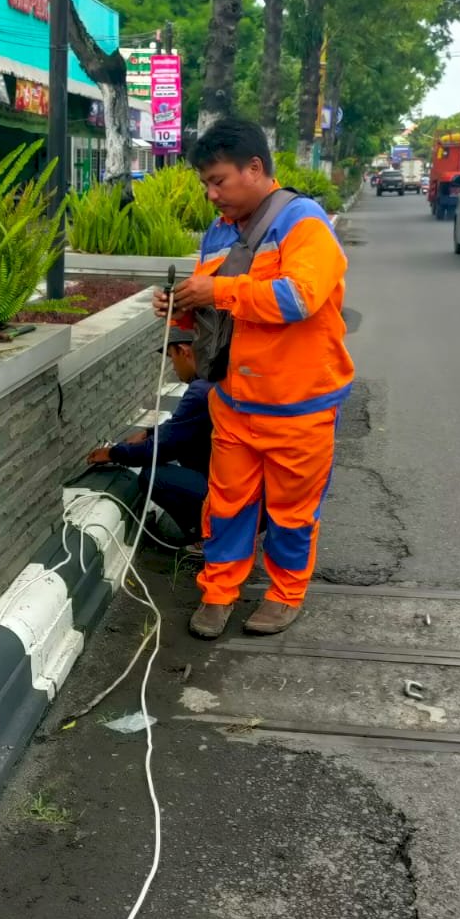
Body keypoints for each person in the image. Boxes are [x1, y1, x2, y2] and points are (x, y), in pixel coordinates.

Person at [154, 117, 353, 639]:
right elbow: (210, 306)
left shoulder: (304, 223)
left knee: (292, 512)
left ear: (255, 168)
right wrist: (178, 309)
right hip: (235, 402)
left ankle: (285, 594)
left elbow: (298, 298)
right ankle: (219, 591)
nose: (210, 193)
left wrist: (215, 292)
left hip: (299, 406)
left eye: (218, 180)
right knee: (227, 505)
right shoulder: (219, 232)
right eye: (205, 184)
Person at [86, 328, 212, 545]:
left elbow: (160, 449)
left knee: (154, 476)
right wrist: (149, 432)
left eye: (171, 357)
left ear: (184, 351)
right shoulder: (217, 380)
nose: (172, 365)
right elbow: (183, 428)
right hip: (256, 493)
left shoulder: (200, 391)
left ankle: (208, 537)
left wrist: (113, 453)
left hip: (234, 496)